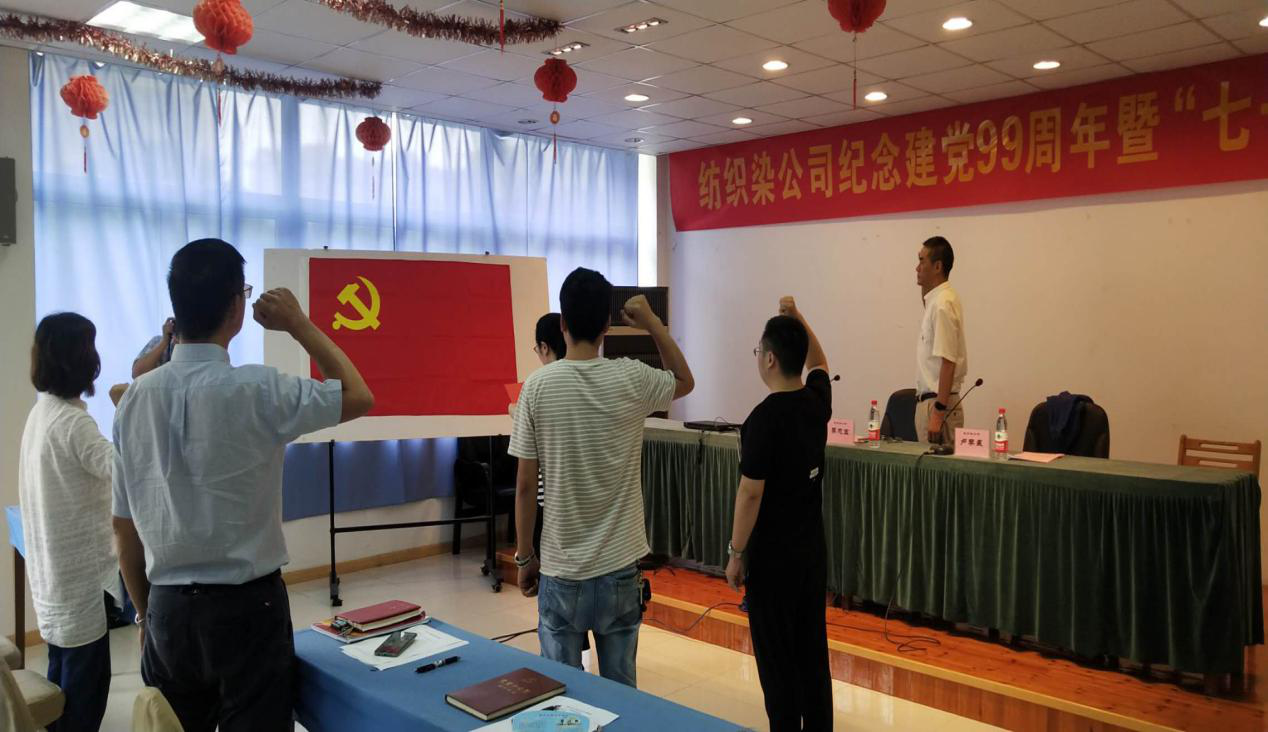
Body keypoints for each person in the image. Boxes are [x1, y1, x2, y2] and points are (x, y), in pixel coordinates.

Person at [112, 238, 374, 732]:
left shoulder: (133, 401)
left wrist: (147, 616)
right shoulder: (260, 389)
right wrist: (299, 323)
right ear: (236, 307)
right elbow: (358, 395)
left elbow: (123, 530)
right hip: (247, 608)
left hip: (168, 607)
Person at [509, 270, 694, 688]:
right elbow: (685, 380)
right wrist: (652, 323)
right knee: (621, 694)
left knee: (561, 696)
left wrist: (524, 558)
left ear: (562, 323)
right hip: (620, 570)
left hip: (561, 569)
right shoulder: (631, 377)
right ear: (607, 326)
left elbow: (524, 487)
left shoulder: (536, 387)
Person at [724, 297, 834, 732]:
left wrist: (736, 553)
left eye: (758, 351)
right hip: (811, 556)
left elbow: (750, 494)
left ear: (769, 359)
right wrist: (799, 318)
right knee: (812, 653)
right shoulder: (816, 403)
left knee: (776, 661)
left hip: (773, 563)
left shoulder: (762, 420)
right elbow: (820, 362)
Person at [18, 313, 128, 732]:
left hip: (54, 579)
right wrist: (127, 409)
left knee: (60, 681)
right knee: (85, 692)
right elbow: (124, 470)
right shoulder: (73, 423)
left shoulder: (42, 412)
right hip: (80, 582)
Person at [914, 236, 967, 444]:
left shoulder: (943, 304)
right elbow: (925, 298)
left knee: (937, 466)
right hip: (930, 403)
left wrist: (937, 413)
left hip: (938, 405)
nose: (917, 268)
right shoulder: (936, 300)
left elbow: (948, 361)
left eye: (922, 261)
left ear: (937, 267)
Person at [529, 313, 567, 556]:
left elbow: (525, 482)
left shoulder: (538, 385)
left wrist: (516, 411)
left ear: (544, 347)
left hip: (549, 498)